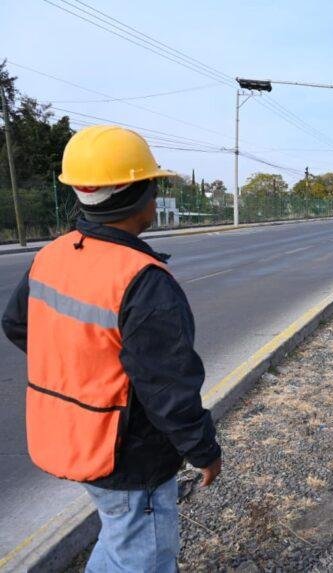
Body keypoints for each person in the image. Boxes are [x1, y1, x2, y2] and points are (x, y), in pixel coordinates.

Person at [2, 125, 221, 571]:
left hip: (70, 439)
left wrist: (81, 370)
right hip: (127, 455)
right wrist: (204, 451)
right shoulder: (142, 280)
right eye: (153, 184)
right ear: (139, 194)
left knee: (118, 537)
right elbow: (168, 388)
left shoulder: (54, 254)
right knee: (142, 558)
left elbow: (18, 325)